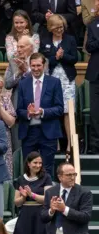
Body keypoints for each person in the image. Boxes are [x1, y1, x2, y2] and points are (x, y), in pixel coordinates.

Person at [16, 52, 64, 176]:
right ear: (29, 65)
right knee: (28, 170)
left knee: (47, 169)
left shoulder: (55, 82)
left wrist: (43, 111)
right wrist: (28, 113)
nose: (36, 69)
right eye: (33, 66)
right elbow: (19, 110)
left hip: (48, 132)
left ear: (44, 65)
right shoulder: (23, 83)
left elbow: (59, 109)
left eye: (38, 65)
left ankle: (46, 195)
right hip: (29, 131)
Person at [40, 14, 78, 158]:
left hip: (67, 80)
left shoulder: (70, 40)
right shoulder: (45, 41)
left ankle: (70, 143)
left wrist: (64, 56)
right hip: (51, 80)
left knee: (68, 111)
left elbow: (74, 58)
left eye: (61, 27)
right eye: (56, 28)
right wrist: (55, 57)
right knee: (53, 110)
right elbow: (44, 62)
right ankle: (54, 142)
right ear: (50, 28)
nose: (59, 30)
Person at [41, 162, 93, 234]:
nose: (72, 177)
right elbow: (43, 217)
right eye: (69, 175)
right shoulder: (50, 192)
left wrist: (65, 209)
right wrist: (51, 210)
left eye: (74, 174)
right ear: (60, 177)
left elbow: (85, 216)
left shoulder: (84, 193)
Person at [13, 151, 52, 234]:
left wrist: (32, 195)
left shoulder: (46, 177)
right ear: (28, 164)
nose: (38, 165)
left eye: (40, 163)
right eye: (35, 163)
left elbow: (47, 199)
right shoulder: (21, 179)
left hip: (40, 215)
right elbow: (17, 202)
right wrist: (24, 197)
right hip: (25, 216)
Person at [85, 1, 99, 154]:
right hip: (96, 73)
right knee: (96, 112)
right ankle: (96, 146)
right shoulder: (93, 24)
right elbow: (89, 47)